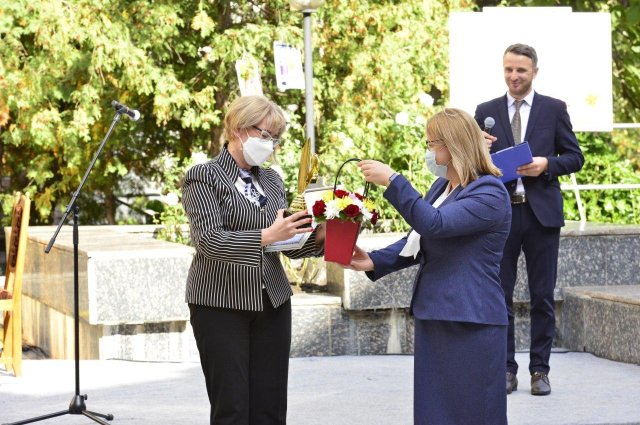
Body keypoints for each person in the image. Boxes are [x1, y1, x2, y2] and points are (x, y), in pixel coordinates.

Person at [347, 108, 512, 425]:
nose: (429, 151)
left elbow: (434, 224)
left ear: (453, 146)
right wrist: (373, 260)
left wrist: (394, 181)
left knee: (474, 411)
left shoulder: (489, 191)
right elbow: (417, 239)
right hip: (436, 312)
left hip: (470, 319)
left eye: (432, 143)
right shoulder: (442, 188)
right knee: (435, 412)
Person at [182, 95, 325, 424]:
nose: (271, 145)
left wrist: (324, 235)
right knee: (232, 408)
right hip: (220, 304)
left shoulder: (272, 179)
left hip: (272, 302)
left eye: (276, 138)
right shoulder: (203, 177)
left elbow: (285, 241)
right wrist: (267, 236)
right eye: (265, 135)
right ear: (237, 128)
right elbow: (209, 241)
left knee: (271, 407)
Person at [474, 43, 584, 396]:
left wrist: (546, 164)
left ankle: (540, 370)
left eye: (520, 70)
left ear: (534, 71)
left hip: (541, 215)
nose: (514, 76)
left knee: (542, 296)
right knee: (499, 295)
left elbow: (575, 157)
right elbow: (469, 164)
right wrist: (480, 148)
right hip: (499, 216)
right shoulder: (485, 111)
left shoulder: (554, 109)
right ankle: (506, 369)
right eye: (508, 69)